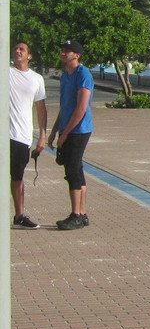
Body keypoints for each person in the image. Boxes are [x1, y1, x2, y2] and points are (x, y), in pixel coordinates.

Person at [48, 39, 94, 230]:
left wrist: (65, 135)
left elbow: (81, 108)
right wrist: (54, 132)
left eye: (68, 51)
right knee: (77, 170)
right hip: (67, 129)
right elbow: (64, 107)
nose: (63, 53)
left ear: (77, 55)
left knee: (73, 171)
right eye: (63, 50)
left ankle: (75, 214)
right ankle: (82, 213)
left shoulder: (83, 74)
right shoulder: (65, 76)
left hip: (79, 130)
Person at [9, 41, 47, 229]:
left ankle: (19, 216)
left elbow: (41, 108)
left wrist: (42, 135)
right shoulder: (5, 72)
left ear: (29, 56)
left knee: (18, 176)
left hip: (22, 136)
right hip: (5, 135)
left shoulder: (37, 79)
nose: (17, 51)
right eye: (15, 48)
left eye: (22, 49)